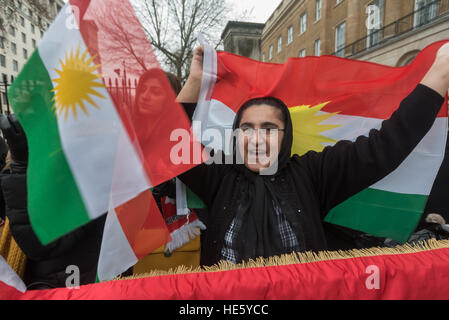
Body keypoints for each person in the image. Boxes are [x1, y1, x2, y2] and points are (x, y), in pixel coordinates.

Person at [175, 44, 449, 266]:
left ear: (286, 136)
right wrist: (195, 81)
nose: (256, 138)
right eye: (247, 128)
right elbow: (167, 145)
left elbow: (384, 146)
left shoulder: (313, 173)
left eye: (268, 128)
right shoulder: (219, 175)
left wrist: (440, 72)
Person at [0, 114, 105, 289]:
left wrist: (23, 169)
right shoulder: (17, 174)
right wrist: (23, 168)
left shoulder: (88, 178)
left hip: (81, 285)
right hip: (54, 286)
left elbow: (40, 242)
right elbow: (34, 241)